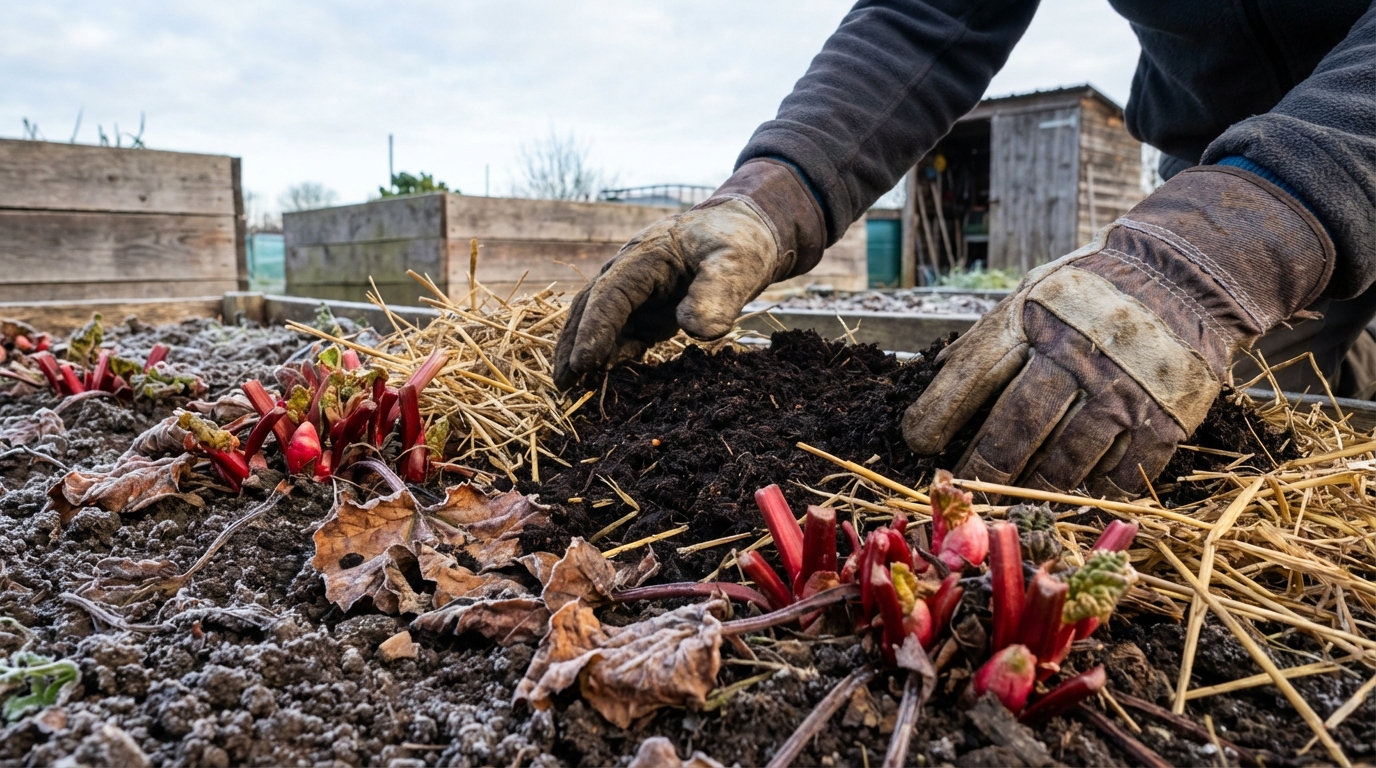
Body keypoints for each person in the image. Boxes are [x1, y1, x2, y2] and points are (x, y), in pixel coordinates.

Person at [553, 0, 1375, 498]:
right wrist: (777, 191)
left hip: (1315, 165)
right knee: (1260, 430)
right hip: (1225, 155)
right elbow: (931, 14)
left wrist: (1209, 256)